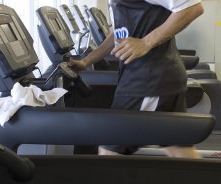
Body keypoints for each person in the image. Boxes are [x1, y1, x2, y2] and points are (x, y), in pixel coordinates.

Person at [68, 0, 204, 158]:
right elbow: (120, 34)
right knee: (179, 151)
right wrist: (87, 60)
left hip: (147, 81)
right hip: (159, 77)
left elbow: (193, 8)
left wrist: (145, 42)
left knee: (109, 152)